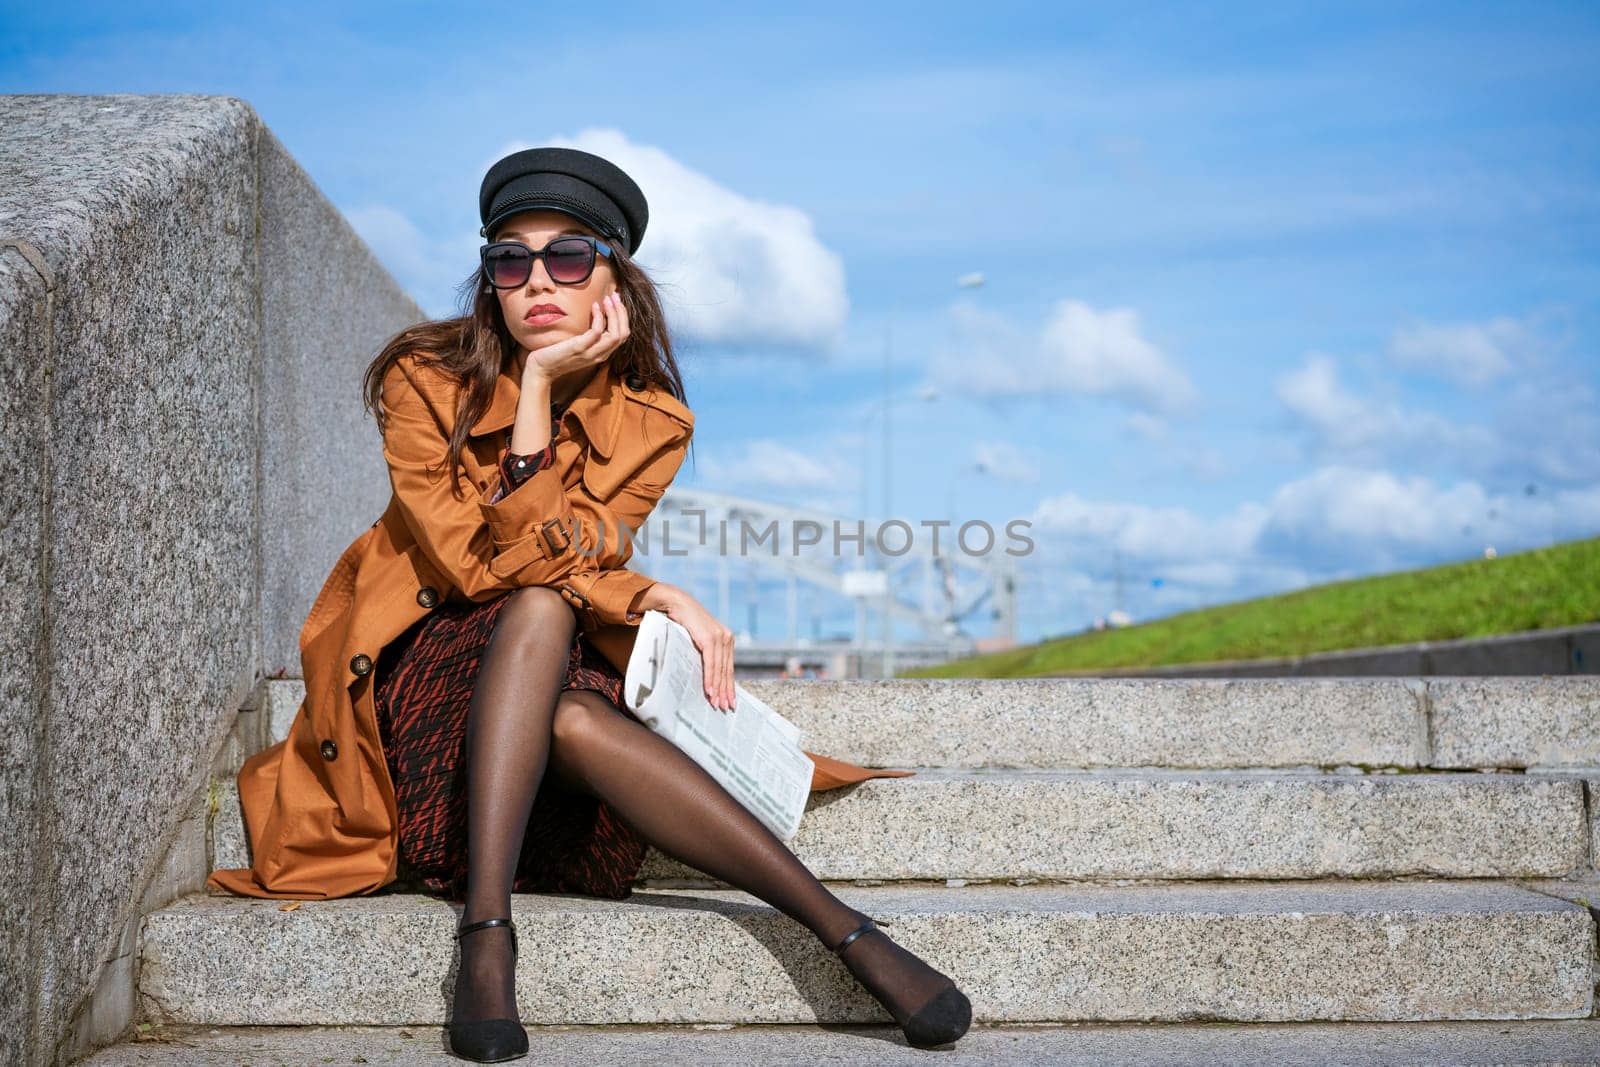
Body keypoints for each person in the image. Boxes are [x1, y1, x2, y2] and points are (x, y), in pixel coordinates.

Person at [209, 147, 970, 1062]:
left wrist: (612, 575)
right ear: (489, 281)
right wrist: (541, 407)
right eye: (510, 260)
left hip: (550, 724)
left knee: (569, 705)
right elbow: (469, 565)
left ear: (615, 276)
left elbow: (573, 555)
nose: (538, 280)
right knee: (533, 602)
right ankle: (492, 932)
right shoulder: (420, 378)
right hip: (416, 699)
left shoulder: (653, 422)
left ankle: (837, 929)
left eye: (569, 257)